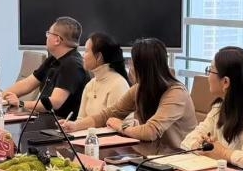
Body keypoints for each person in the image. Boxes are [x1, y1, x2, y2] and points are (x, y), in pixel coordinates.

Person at [62, 38, 196, 156]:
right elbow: (108, 114)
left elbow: (151, 131)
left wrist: (121, 126)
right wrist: (75, 126)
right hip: (150, 156)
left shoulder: (176, 93)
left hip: (178, 159)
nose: (130, 67)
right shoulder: (139, 88)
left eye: (132, 63)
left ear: (143, 67)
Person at [0, 16, 90, 120]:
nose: (46, 37)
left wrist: (21, 103)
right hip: (46, 119)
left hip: (62, 124)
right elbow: (28, 84)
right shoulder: (53, 59)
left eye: (49, 33)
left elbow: (55, 102)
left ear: (57, 40)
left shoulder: (72, 65)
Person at [76, 32, 130, 121]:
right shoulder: (90, 84)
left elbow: (113, 124)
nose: (83, 55)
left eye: (86, 51)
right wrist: (70, 126)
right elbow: (80, 120)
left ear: (99, 56)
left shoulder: (118, 84)